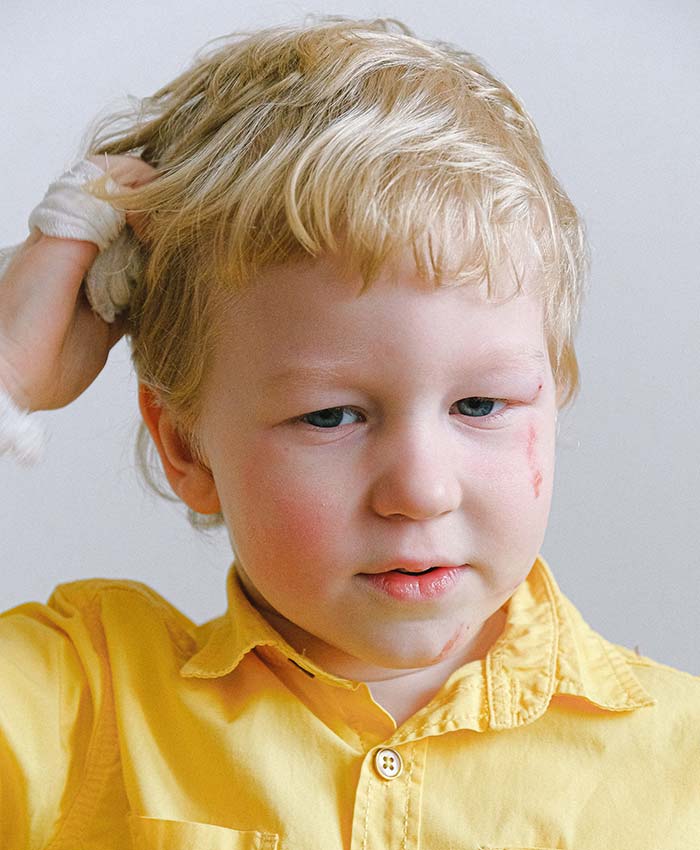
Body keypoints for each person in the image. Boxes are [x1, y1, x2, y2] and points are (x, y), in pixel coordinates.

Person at [0, 16, 698, 850]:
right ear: (185, 446)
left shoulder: (679, 768)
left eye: (480, 405)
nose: (421, 491)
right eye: (331, 416)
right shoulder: (85, 708)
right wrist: (6, 374)